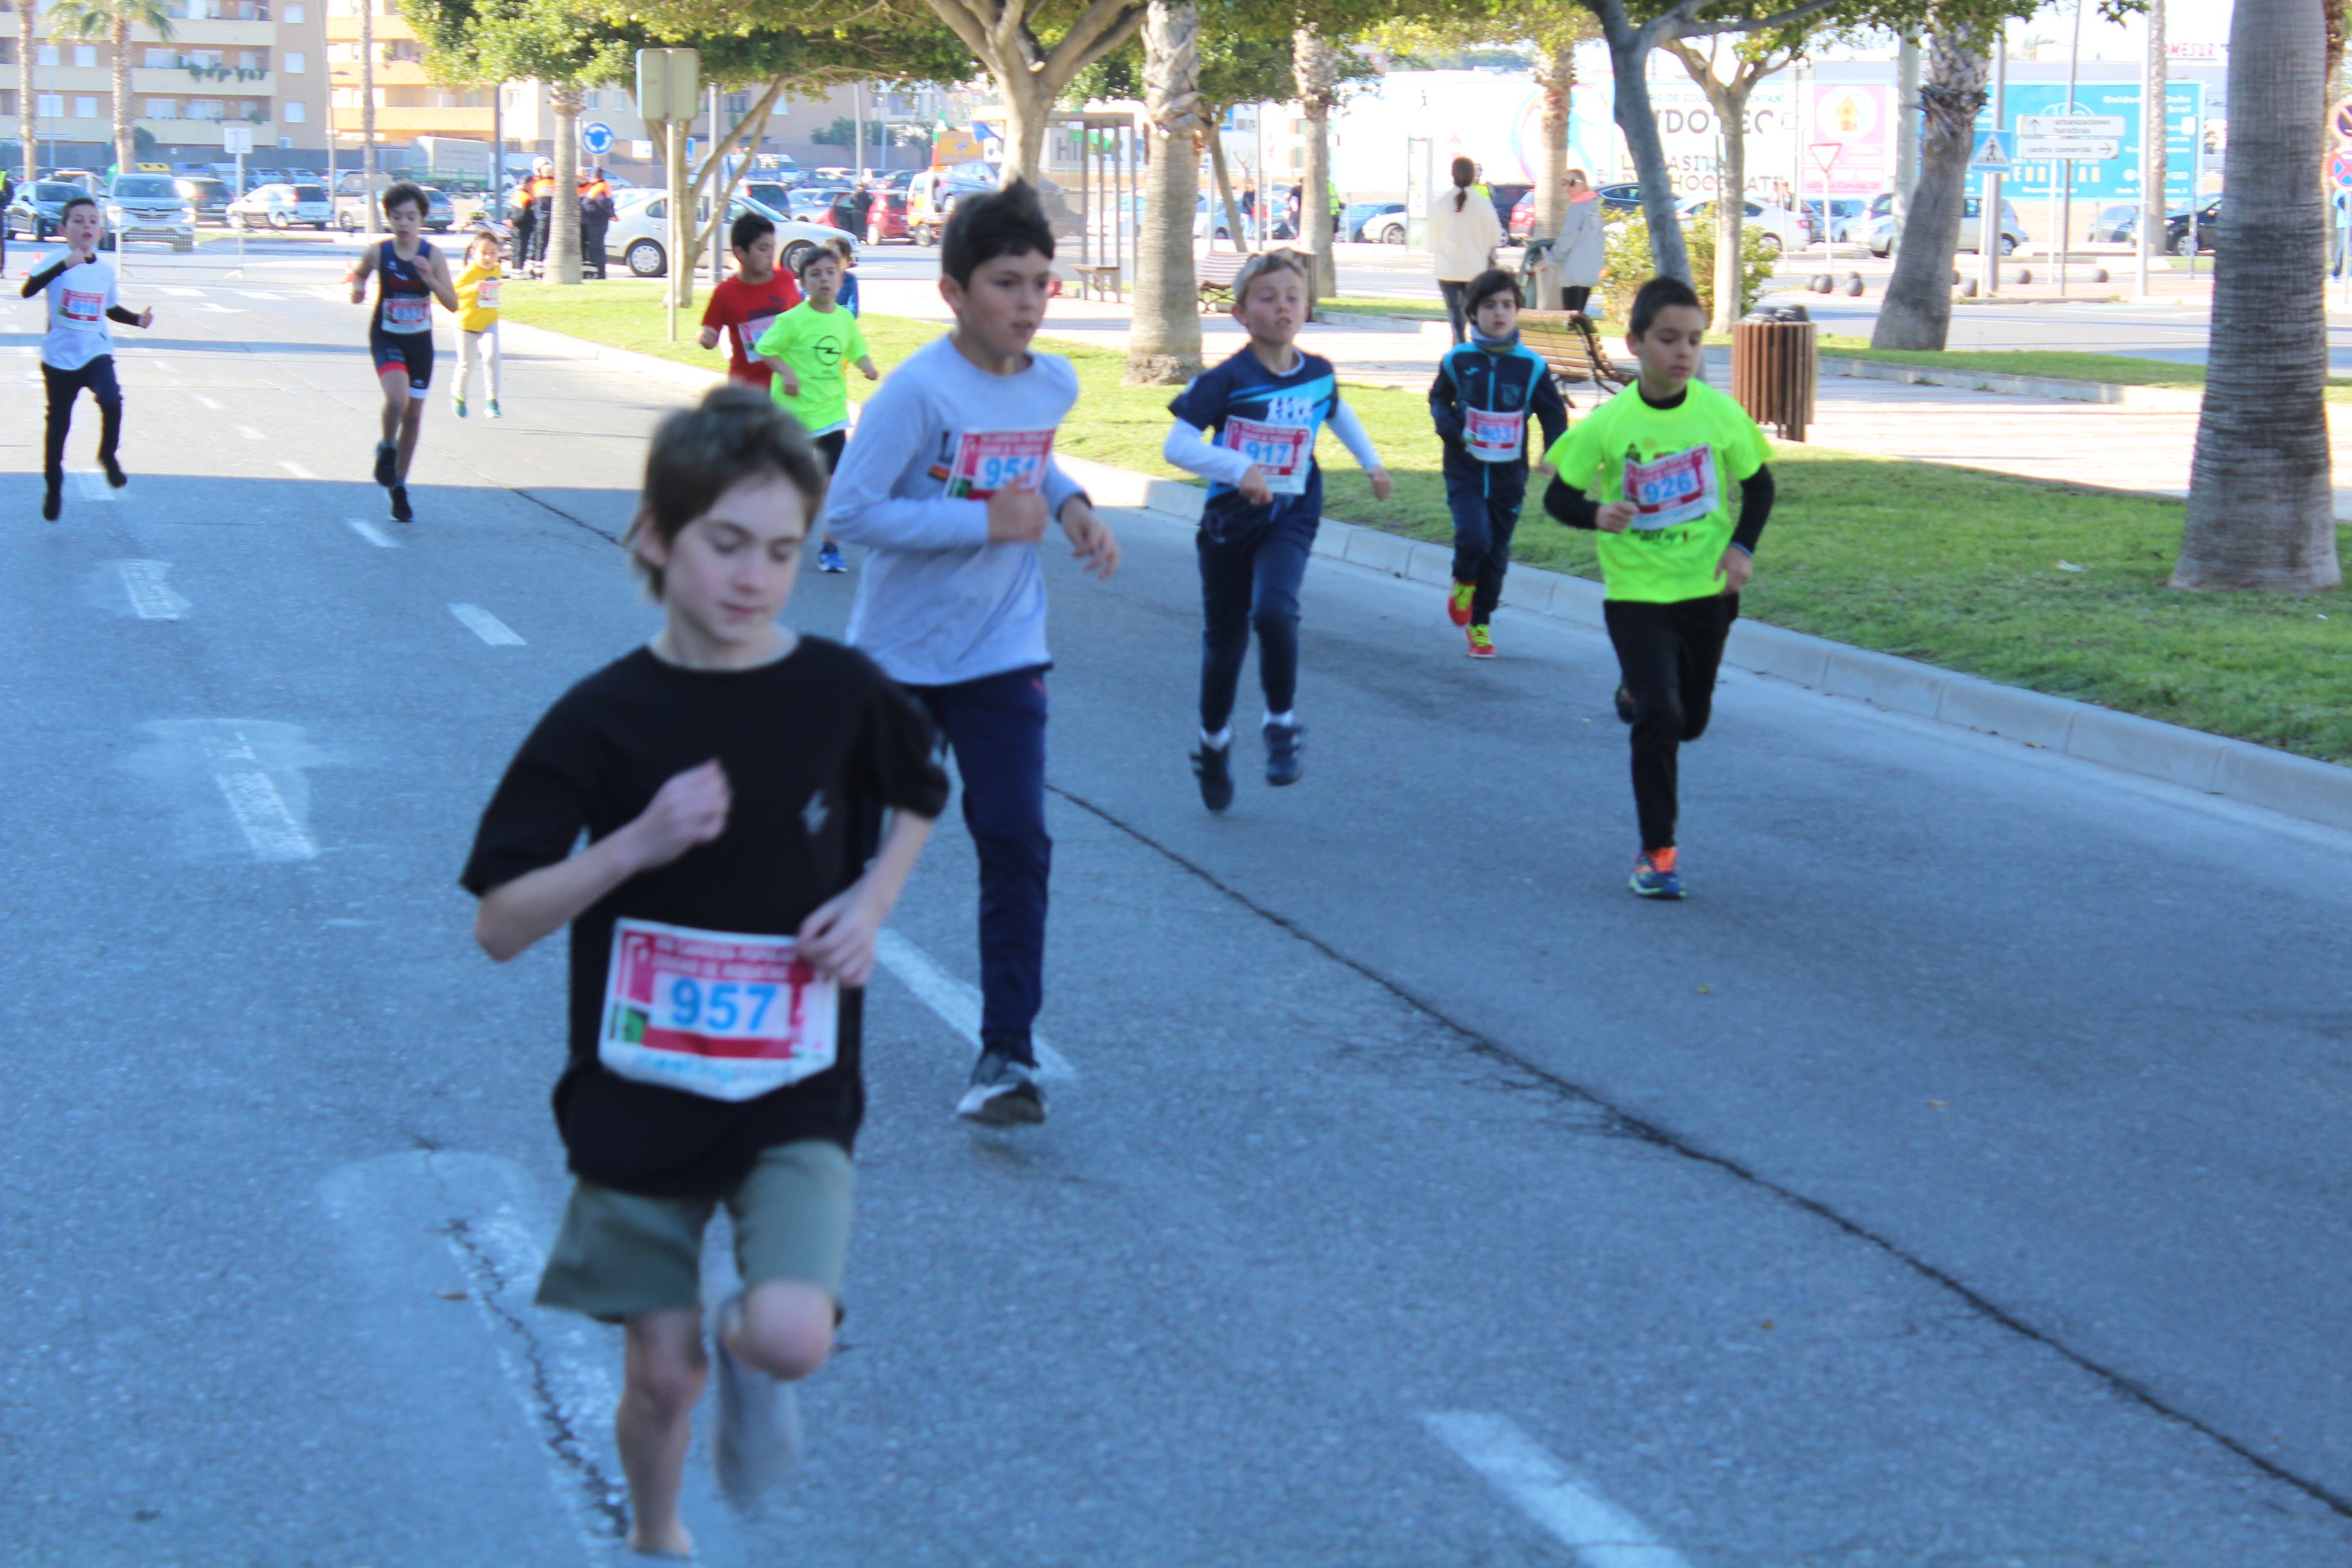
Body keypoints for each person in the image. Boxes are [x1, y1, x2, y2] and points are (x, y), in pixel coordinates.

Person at [461, 383, 949, 1550]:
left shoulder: (837, 692)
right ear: (652, 537)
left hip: (794, 1082)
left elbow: (924, 785)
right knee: (661, 1374)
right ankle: (657, 1529)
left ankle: (749, 1359)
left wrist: (871, 899)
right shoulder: (601, 718)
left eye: (784, 549)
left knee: (786, 1333)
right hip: (637, 1090)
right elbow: (499, 921)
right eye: (726, 542)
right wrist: (632, 845)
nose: (755, 576)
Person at [823, 180, 1121, 1126]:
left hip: (1003, 649)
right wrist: (981, 519)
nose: (1028, 302)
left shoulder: (1053, 381)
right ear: (955, 293)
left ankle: (1006, 1054)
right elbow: (852, 512)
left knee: (1016, 839)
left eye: (1041, 282)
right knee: (847, 848)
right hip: (897, 662)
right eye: (1006, 283)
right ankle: (812, 1037)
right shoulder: (916, 391)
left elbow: (1030, 462)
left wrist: (1069, 505)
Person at [1541, 276, 1775, 900]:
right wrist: (1596, 513)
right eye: (1668, 339)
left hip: (1706, 592)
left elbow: (1760, 485)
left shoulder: (1718, 412)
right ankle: (1657, 852)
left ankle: (1635, 693)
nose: (1683, 352)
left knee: (1690, 720)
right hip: (1637, 594)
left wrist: (1740, 547)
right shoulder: (1613, 421)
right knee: (1662, 715)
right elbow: (1558, 494)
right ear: (1636, 343)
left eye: (1694, 341)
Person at [1162, 248, 1392, 809]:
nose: (1282, 307)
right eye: (1267, 298)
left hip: (1292, 512)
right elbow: (1178, 446)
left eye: (1292, 297)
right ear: (1241, 312)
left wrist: (1372, 462)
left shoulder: (1318, 373)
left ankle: (1281, 724)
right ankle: (1213, 744)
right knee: (1225, 644)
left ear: (1307, 306)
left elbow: (1334, 408)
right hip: (1230, 523)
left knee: (1274, 610)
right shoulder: (1227, 380)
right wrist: (1239, 469)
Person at [1428, 267, 1567, 659]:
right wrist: (1454, 431)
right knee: (1474, 537)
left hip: (1509, 473)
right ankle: (1463, 578)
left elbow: (1553, 414)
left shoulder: (1531, 366)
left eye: (1507, 305)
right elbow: (1439, 400)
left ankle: (1481, 625)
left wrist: (1552, 452)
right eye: (1489, 306)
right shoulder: (1458, 360)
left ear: (1518, 311)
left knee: (1497, 550)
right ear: (1474, 314)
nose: (1499, 313)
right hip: (1465, 467)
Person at [23, 194, 151, 521]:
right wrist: (62, 266)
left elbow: (108, 309)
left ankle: (108, 455)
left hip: (95, 351)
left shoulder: (104, 272)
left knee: (111, 398)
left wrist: (137, 319)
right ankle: (54, 485)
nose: (87, 226)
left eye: (93, 221)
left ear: (100, 230)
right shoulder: (55, 260)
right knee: (59, 425)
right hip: (59, 359)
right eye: (78, 221)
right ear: (65, 229)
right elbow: (28, 290)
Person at [754, 241, 877, 576]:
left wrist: (867, 365)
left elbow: (854, 347)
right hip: (793, 417)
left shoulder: (843, 319)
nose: (824, 280)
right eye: (815, 275)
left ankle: (830, 547)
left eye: (830, 274)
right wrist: (786, 371)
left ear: (841, 280)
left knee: (835, 484)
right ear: (803, 283)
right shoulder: (793, 320)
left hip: (831, 415)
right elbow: (766, 348)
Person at [348, 181, 459, 523]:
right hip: (387, 337)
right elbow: (360, 274)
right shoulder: (380, 252)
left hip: (419, 342)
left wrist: (431, 280)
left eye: (411, 216)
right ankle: (386, 446)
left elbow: (453, 304)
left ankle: (399, 486)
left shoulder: (432, 255)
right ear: (389, 219)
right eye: (397, 217)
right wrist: (357, 288)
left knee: (413, 417)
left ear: (422, 218)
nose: (404, 223)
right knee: (396, 400)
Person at [1428, 155, 1503, 345]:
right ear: (1473, 176)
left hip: (1447, 270)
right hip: (1475, 271)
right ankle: (1476, 350)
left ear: (1452, 176)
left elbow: (1432, 241)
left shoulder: (1441, 204)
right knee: (1475, 315)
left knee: (1456, 318)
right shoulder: (1484, 204)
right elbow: (1496, 238)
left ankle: (1459, 348)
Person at [451, 227, 504, 420]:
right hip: (467, 325)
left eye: (493, 253)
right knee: (466, 365)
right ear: (473, 253)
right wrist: (474, 288)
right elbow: (454, 291)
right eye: (484, 253)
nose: (489, 257)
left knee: (491, 356)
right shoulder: (470, 271)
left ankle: (492, 400)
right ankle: (459, 394)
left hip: (489, 322)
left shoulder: (497, 269)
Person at [1538, 169, 1605, 314]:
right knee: (1578, 316)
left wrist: (1549, 259)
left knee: (1570, 319)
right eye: (1564, 183)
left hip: (1573, 274)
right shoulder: (1595, 208)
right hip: (1589, 273)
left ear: (1584, 185)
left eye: (1572, 183)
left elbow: (1567, 239)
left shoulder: (1577, 209)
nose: (1567, 187)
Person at [579, 167, 615, 280]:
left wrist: (611, 215)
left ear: (595, 177)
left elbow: (603, 203)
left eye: (591, 175)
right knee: (596, 247)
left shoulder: (600, 187)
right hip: (595, 222)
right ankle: (599, 272)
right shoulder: (599, 186)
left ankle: (601, 273)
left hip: (596, 222)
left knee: (597, 248)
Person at [826, 236, 860, 316]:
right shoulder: (817, 278)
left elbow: (853, 311)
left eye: (837, 259)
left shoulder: (850, 280)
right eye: (829, 258)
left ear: (847, 263)